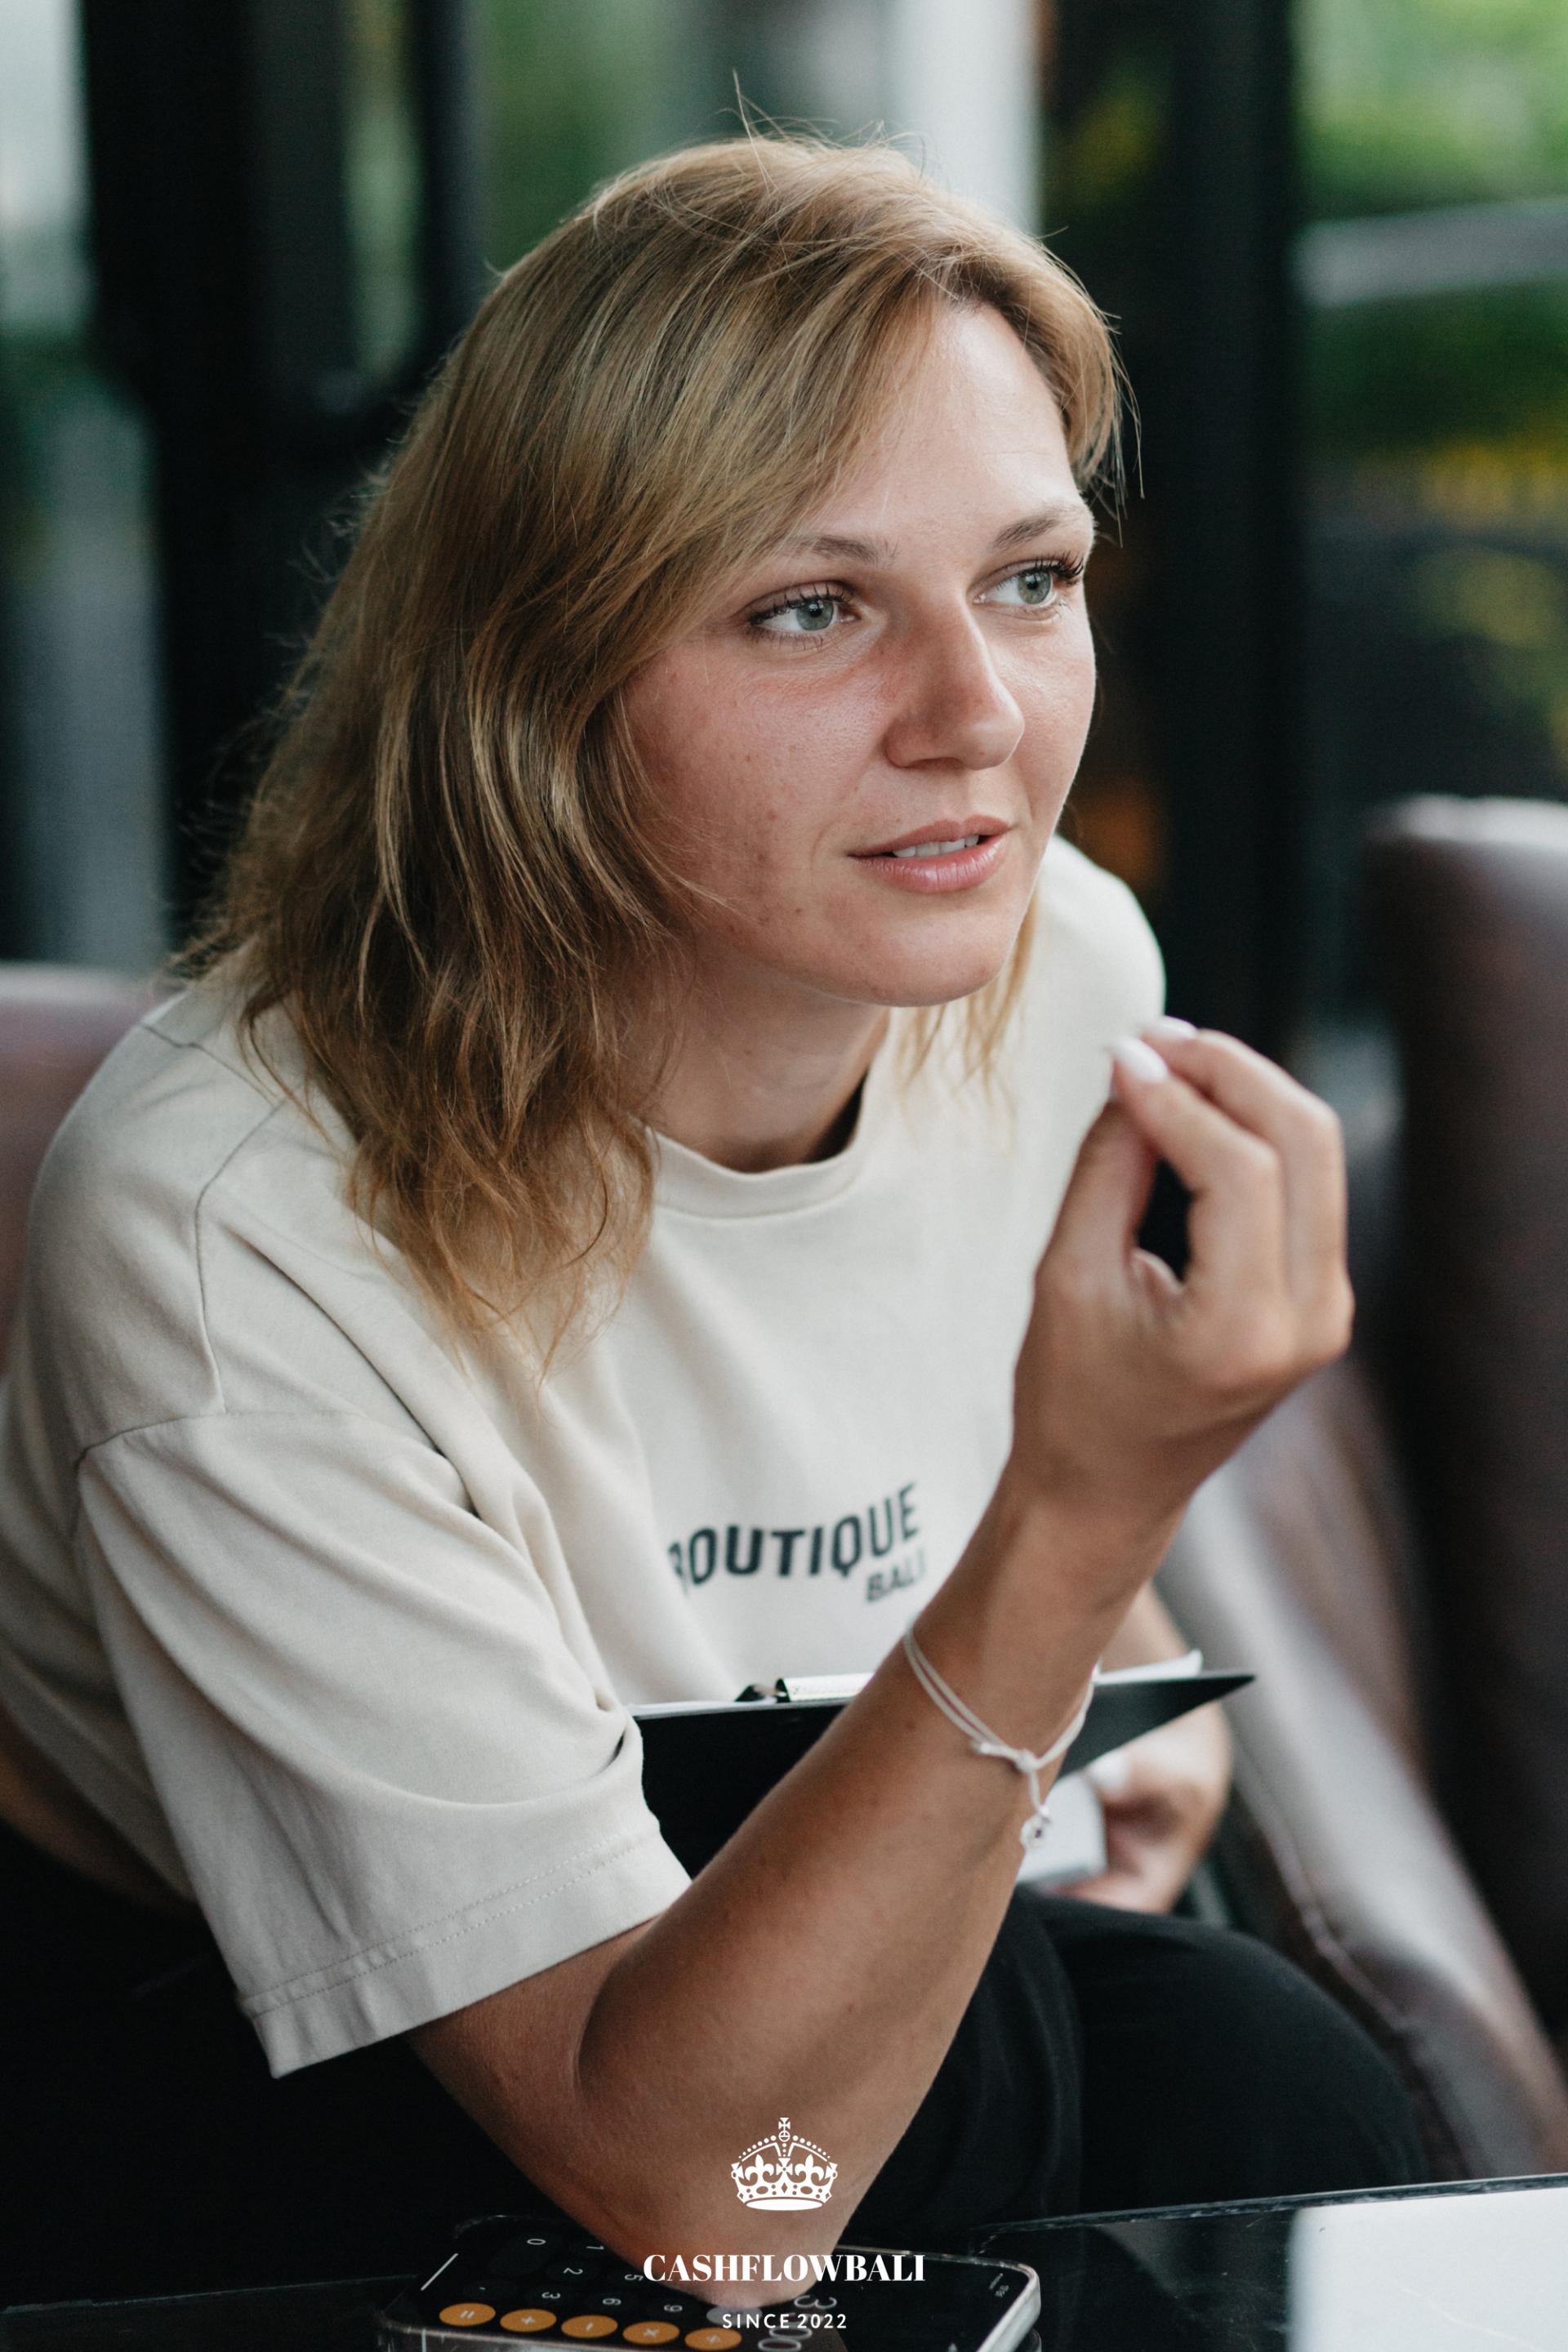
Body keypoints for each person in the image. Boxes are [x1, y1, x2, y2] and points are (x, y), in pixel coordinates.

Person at [0, 134, 1420, 2305]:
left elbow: (873, 1413)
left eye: (1030, 579)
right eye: (809, 609)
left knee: (1257, 2092)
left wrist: (1119, 1660)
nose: (979, 721)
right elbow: (707, 2207)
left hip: (774, 1867)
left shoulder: (1061, 970)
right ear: (533, 675)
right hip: (284, 2056)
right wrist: (1078, 1536)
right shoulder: (228, 1228)